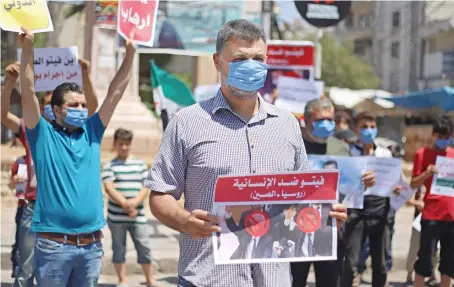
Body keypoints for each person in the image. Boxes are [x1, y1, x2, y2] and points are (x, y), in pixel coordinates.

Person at [145, 19, 347, 287]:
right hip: (209, 279)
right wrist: (184, 220)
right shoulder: (187, 122)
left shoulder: (287, 124)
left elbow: (302, 200)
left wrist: (328, 217)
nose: (251, 66)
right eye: (240, 59)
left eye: (258, 58)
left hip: (273, 279)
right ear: (218, 62)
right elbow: (160, 195)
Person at [18, 27, 135, 286]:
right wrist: (28, 49)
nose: (82, 109)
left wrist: (130, 55)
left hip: (92, 247)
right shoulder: (42, 135)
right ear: (56, 109)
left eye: (83, 104)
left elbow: (115, 92)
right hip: (54, 247)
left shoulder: (92, 132)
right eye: (74, 105)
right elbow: (27, 88)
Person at [1, 56, 98, 287]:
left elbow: (94, 110)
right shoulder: (31, 129)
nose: (46, 110)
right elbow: (3, 115)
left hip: (59, 216)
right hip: (33, 206)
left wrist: (85, 75)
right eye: (43, 104)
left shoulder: (77, 135)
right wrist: (10, 83)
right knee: (26, 265)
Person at [293, 99, 375, 287]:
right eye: (320, 120)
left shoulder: (341, 148)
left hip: (331, 228)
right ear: (306, 120)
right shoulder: (294, 146)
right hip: (296, 229)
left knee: (330, 281)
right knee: (294, 280)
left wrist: (365, 183)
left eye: (330, 120)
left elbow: (351, 186)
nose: (327, 124)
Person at [342, 112, 393, 287]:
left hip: (380, 211)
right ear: (356, 130)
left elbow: (394, 180)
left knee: (380, 264)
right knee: (350, 262)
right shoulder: (348, 153)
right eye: (364, 127)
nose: (368, 131)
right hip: (355, 211)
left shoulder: (385, 154)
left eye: (372, 127)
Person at [102, 128, 157, 287]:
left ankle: (150, 280)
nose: (124, 147)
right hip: (116, 217)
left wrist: (134, 203)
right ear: (115, 144)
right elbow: (109, 188)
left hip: (137, 216)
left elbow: (146, 187)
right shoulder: (109, 165)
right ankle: (122, 280)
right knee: (118, 248)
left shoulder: (140, 164)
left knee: (144, 247)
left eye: (127, 144)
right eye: (121, 144)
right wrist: (126, 204)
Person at [410, 114, 454, 287]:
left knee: (449, 259)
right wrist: (427, 173)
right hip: (430, 215)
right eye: (440, 136)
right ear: (433, 134)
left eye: (446, 137)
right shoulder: (422, 154)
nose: (443, 140)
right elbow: (413, 183)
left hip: (451, 215)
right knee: (425, 258)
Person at [9, 155, 27, 278]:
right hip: (23, 206)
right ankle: (16, 269)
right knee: (20, 241)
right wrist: (14, 181)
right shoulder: (20, 161)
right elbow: (10, 185)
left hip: (42, 207)